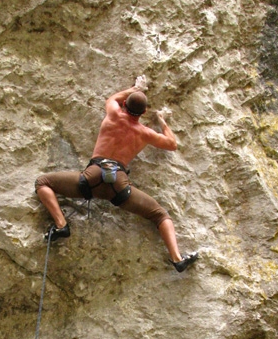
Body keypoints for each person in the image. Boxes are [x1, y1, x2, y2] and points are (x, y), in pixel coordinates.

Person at [35, 83, 198, 272]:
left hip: (92, 177)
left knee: (43, 182)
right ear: (144, 112)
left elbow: (112, 98)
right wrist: (161, 120)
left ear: (124, 105)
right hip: (119, 185)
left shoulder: (113, 113)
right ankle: (177, 259)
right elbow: (172, 144)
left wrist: (136, 88)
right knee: (160, 215)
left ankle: (61, 225)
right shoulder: (144, 133)